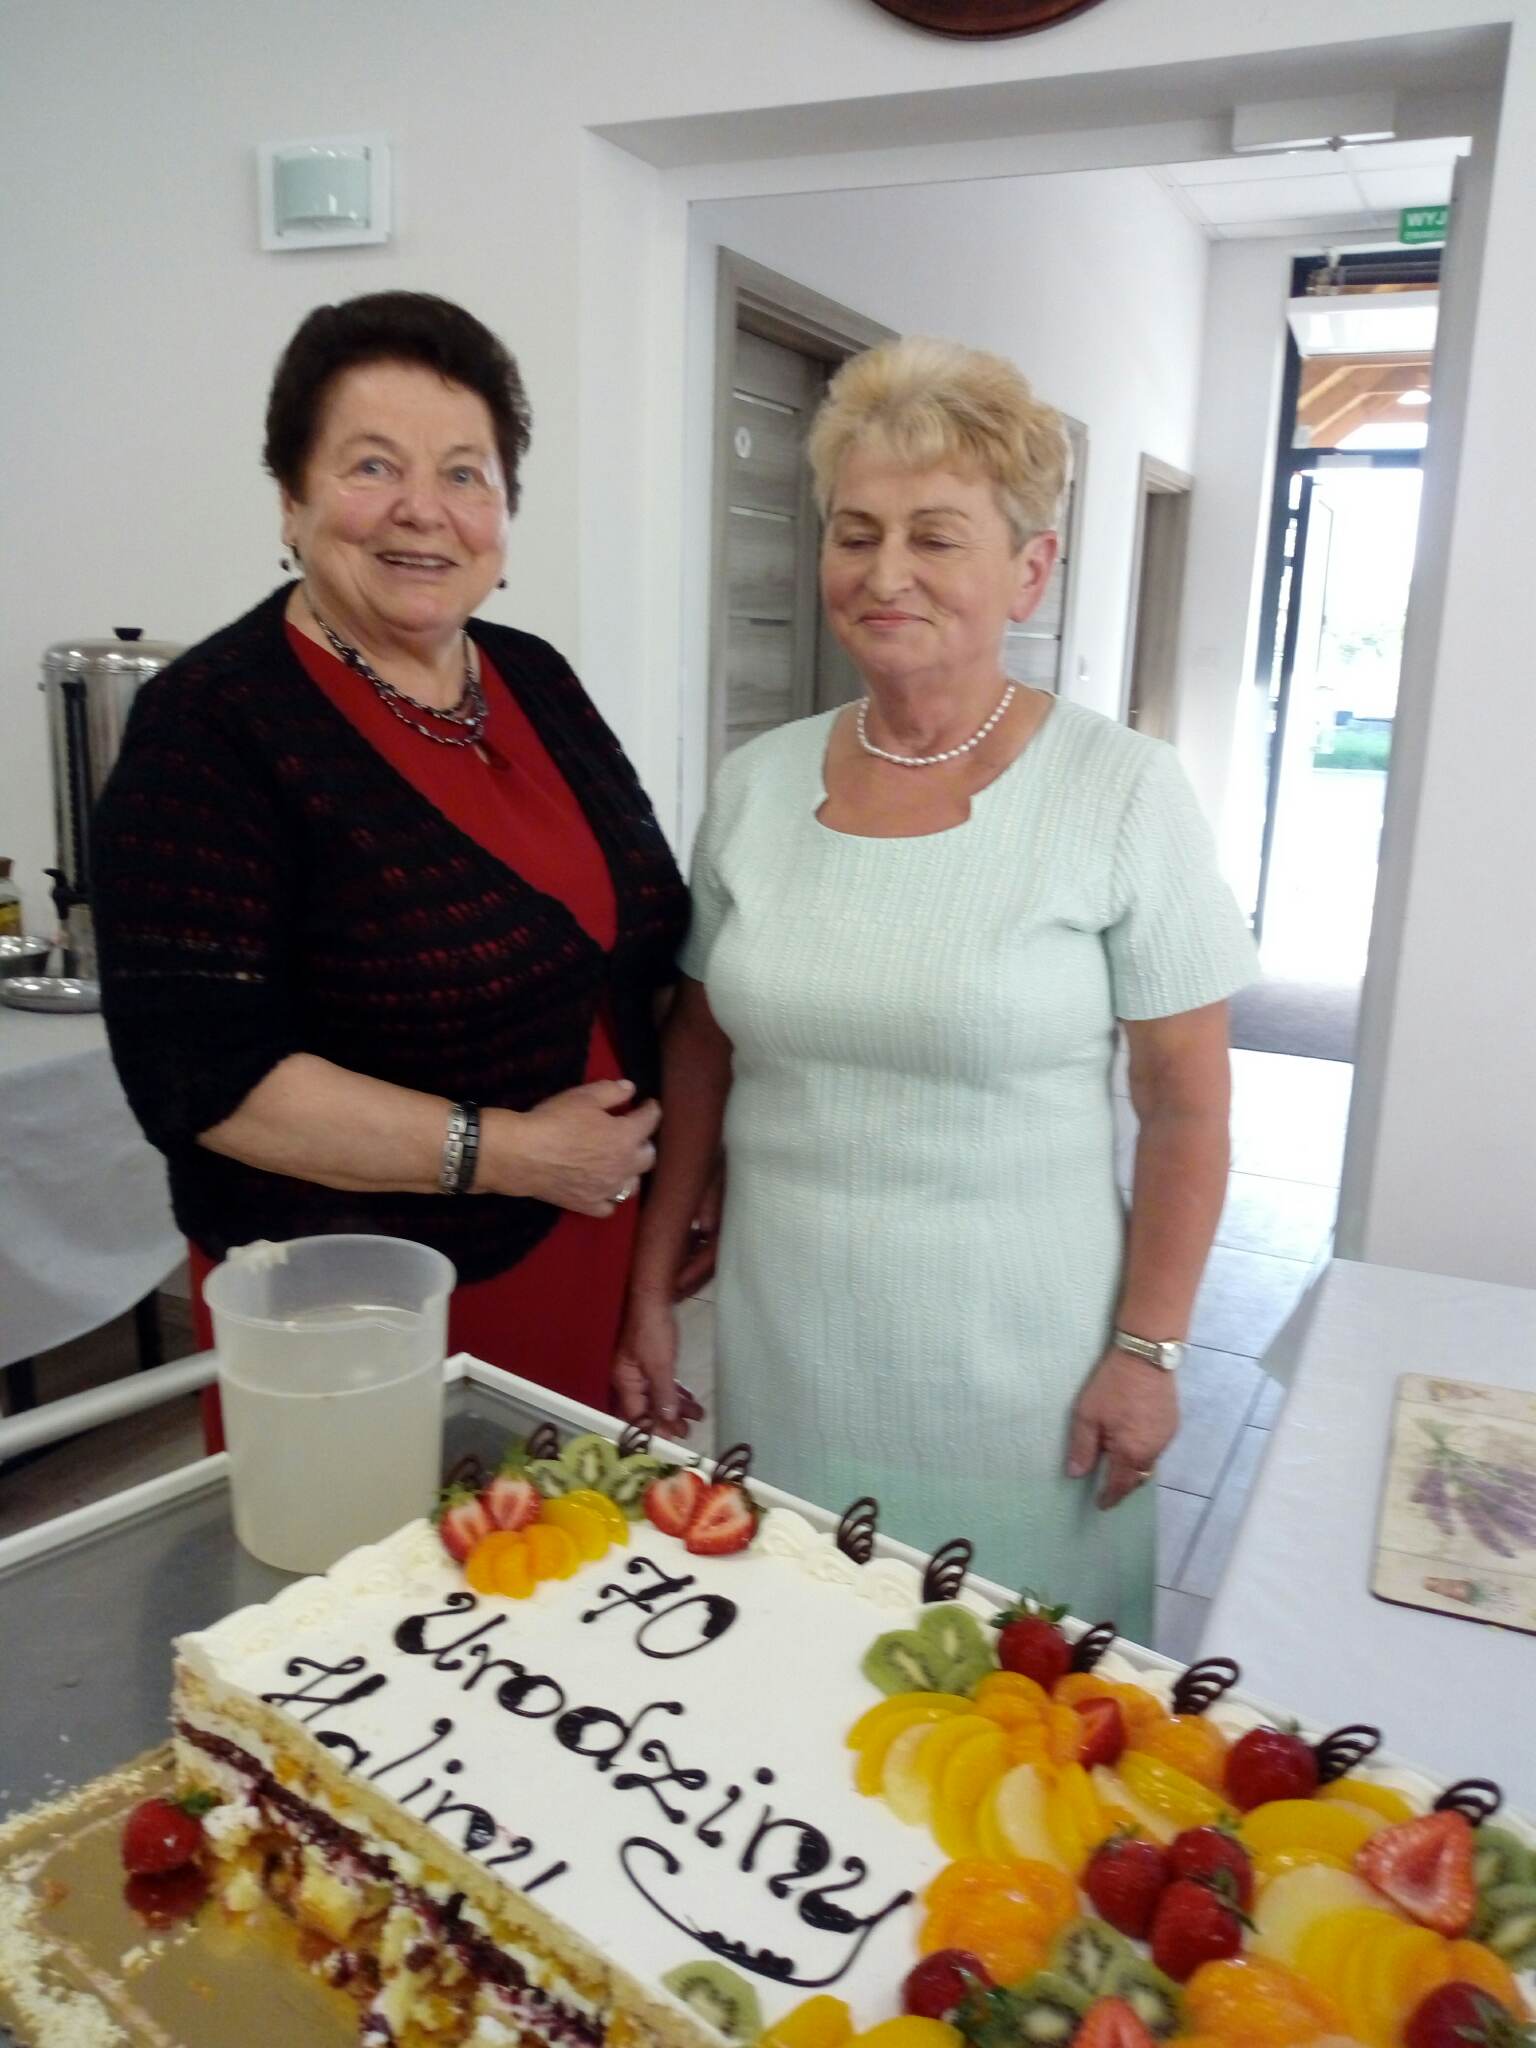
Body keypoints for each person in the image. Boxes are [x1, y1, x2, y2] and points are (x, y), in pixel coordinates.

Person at [615, 337, 1257, 1641]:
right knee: (803, 1678)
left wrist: (1149, 1350)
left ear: (1031, 568)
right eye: (855, 533)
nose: (885, 571)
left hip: (1026, 1387)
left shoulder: (1122, 792)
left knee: (1006, 1718)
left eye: (935, 535)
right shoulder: (756, 785)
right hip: (792, 1354)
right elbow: (702, 1046)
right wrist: (648, 1277)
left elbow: (1186, 1106)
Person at [95, 291, 689, 1432]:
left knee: (562, 1537)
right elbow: (201, 1077)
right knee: (372, 1548)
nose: (425, 510)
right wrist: (515, 1153)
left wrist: (664, 1202)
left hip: (586, 1249)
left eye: (466, 473)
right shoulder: (210, 725)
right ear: (292, 498)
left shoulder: (535, 676)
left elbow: (640, 946)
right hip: (351, 1304)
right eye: (373, 465)